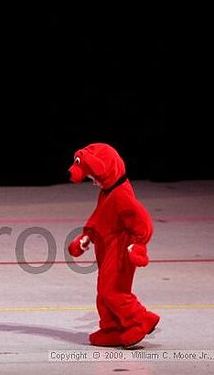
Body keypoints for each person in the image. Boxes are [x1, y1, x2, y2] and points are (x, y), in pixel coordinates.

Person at [67, 142, 160, 347]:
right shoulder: (108, 192)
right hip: (108, 247)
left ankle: (140, 319)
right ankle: (112, 327)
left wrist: (139, 244)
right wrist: (87, 236)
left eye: (93, 178)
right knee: (104, 290)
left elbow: (142, 221)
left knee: (113, 290)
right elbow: (100, 216)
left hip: (121, 248)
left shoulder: (120, 194)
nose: (93, 182)